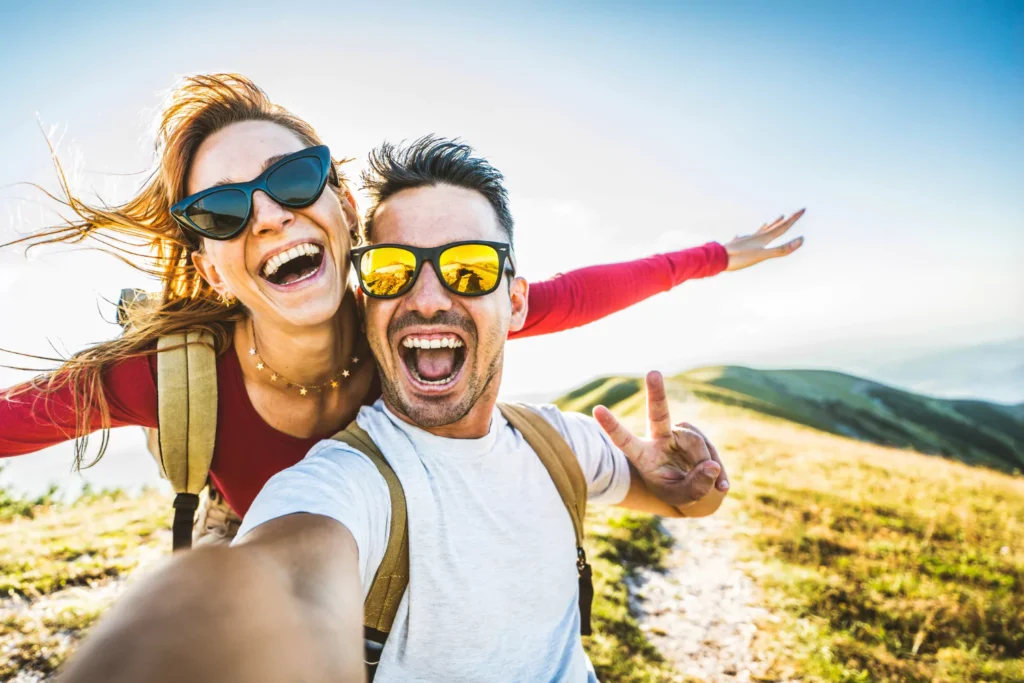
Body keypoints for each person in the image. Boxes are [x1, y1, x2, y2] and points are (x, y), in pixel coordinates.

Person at [0, 74, 804, 534]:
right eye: (221, 210)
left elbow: (579, 293)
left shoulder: (410, 318)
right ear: (210, 270)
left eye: (290, 180)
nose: (271, 215)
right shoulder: (171, 378)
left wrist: (720, 256)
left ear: (343, 203)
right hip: (258, 552)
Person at [56, 137, 734, 683]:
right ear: (365, 295)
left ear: (517, 302)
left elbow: (684, 504)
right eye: (392, 271)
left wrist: (691, 489)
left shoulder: (558, 441)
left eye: (468, 268)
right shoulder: (346, 483)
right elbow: (281, 580)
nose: (430, 298)